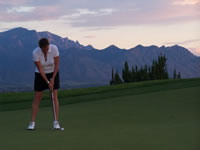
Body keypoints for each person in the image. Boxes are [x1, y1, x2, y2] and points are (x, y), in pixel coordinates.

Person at [27, 38, 61, 130]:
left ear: (48, 45)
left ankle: (56, 122)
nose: (46, 50)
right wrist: (47, 82)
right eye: (43, 49)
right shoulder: (35, 53)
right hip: (40, 74)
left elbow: (57, 65)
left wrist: (53, 79)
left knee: (54, 96)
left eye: (47, 48)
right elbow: (40, 69)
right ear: (40, 47)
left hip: (53, 72)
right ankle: (32, 123)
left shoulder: (54, 49)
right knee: (38, 96)